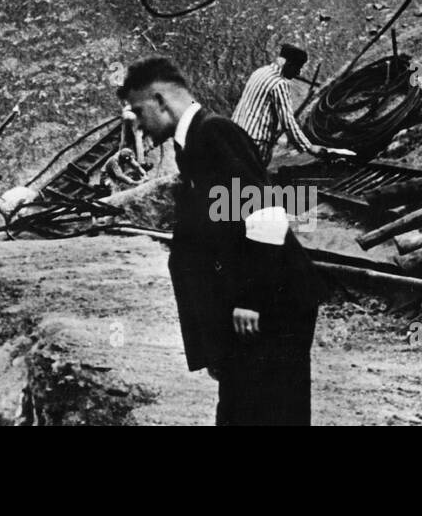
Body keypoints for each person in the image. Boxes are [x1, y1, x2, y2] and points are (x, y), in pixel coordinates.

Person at [118, 56, 323, 426]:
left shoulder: (214, 134)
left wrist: (250, 299)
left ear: (161, 100)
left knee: (272, 410)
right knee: (242, 408)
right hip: (253, 309)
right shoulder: (192, 144)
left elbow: (265, 212)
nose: (139, 124)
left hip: (272, 304)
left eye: (138, 110)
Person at [232, 44, 352, 166]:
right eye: (298, 68)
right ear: (288, 64)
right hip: (256, 144)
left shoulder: (259, 72)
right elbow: (288, 123)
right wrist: (309, 147)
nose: (298, 73)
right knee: (254, 178)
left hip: (236, 137)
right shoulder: (280, 84)